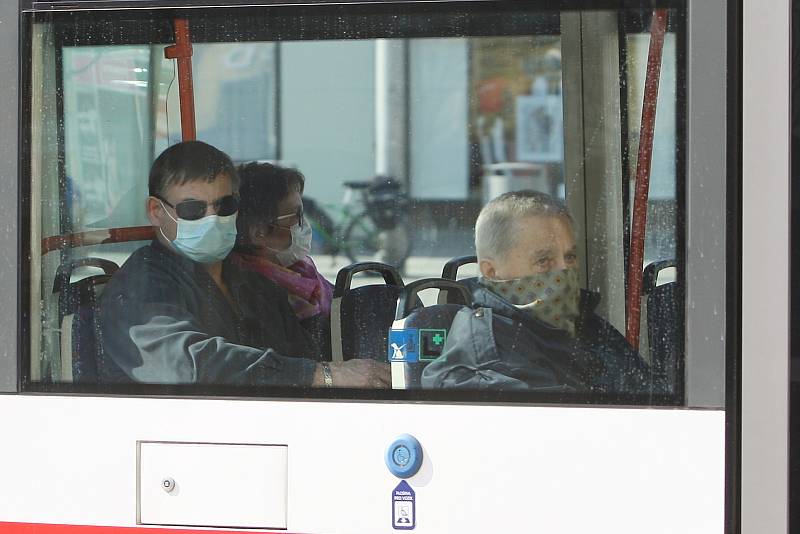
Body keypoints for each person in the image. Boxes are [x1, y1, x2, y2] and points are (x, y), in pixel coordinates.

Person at [97, 140, 389, 388]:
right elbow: (189, 364)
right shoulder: (142, 286)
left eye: (225, 206)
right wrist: (325, 376)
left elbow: (301, 355)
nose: (212, 219)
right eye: (192, 209)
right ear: (156, 211)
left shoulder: (253, 283)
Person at [421, 190, 664, 396]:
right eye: (544, 260)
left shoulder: (583, 323)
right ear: (492, 272)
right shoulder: (490, 358)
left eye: (569, 257)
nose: (565, 271)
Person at [231, 162, 333, 357]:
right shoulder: (257, 289)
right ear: (258, 231)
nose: (303, 224)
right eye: (296, 215)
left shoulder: (299, 272)